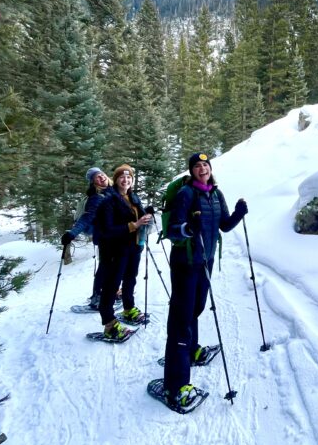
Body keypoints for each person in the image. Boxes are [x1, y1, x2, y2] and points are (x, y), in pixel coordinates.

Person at [163, 152, 248, 410]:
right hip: (185, 263)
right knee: (181, 318)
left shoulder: (215, 194)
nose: (203, 168)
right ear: (191, 171)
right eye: (197, 166)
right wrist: (188, 228)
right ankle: (175, 386)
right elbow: (171, 230)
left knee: (195, 310)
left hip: (205, 261)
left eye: (206, 164)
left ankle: (191, 351)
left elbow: (223, 225)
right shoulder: (186, 194)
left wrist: (238, 214)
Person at [97, 164, 152, 340]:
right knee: (111, 286)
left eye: (129, 177)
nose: (126, 180)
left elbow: (138, 217)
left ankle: (128, 309)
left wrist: (146, 216)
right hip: (114, 251)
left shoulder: (133, 196)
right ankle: (109, 325)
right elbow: (107, 229)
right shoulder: (108, 199)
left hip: (133, 248)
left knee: (130, 279)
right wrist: (133, 225)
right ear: (116, 179)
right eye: (122, 177)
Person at [61, 167, 113, 310]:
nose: (101, 177)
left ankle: (113, 292)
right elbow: (86, 218)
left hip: (116, 237)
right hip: (105, 238)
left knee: (113, 267)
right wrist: (72, 233)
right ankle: (97, 298)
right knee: (104, 267)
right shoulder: (96, 197)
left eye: (102, 174)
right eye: (97, 177)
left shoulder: (113, 190)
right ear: (93, 182)